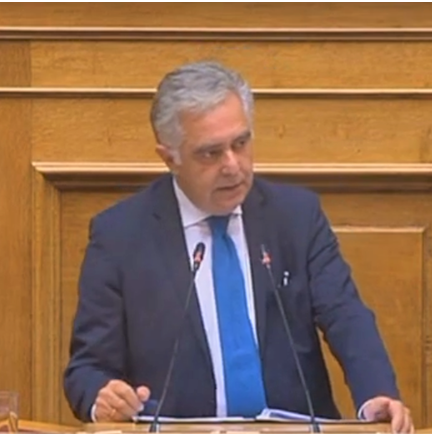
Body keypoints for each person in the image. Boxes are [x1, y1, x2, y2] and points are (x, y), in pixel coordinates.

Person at [63, 61, 413, 433]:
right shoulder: (120, 236)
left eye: (240, 144)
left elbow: (347, 318)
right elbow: (87, 369)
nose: (232, 165)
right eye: (210, 153)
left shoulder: (296, 217)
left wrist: (375, 395)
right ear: (170, 158)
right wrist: (102, 397)